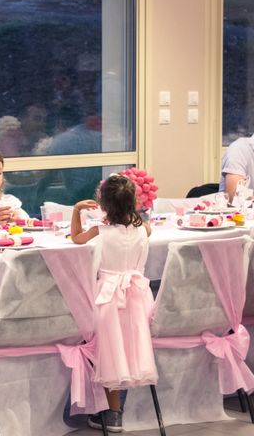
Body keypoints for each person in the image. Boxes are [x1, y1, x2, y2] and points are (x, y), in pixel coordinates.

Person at [71, 175, 158, 433]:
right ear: (134, 202)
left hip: (108, 297)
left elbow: (75, 237)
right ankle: (120, 407)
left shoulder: (101, 231)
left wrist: (76, 210)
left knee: (111, 352)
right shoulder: (145, 228)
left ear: (103, 204)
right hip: (137, 296)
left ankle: (113, 413)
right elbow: (136, 229)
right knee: (130, 347)